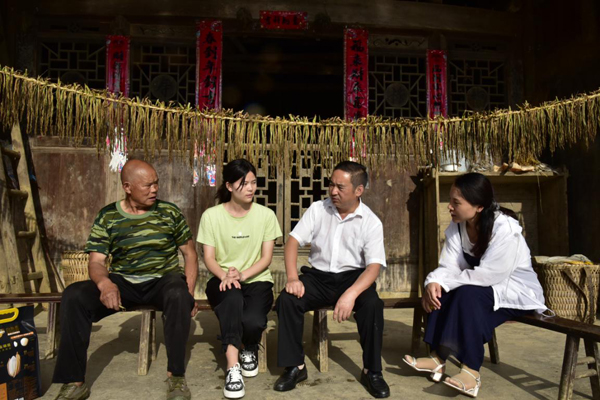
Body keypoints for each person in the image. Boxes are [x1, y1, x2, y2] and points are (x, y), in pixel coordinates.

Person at [52, 160, 198, 400]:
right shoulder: (108, 216)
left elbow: (190, 254)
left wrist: (189, 293)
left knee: (178, 293)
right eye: (148, 185)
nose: (155, 189)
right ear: (128, 187)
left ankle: (176, 378)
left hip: (163, 281)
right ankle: (74, 382)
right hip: (123, 283)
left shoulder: (170, 212)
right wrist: (105, 284)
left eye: (156, 183)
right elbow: (96, 262)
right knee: (74, 295)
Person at [403, 172, 546, 398]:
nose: (449, 207)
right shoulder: (458, 226)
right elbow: (449, 266)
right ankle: (437, 358)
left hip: (515, 292)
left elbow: (487, 276)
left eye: (456, 202)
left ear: (479, 206)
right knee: (442, 292)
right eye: (450, 200)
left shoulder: (505, 229)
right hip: (481, 289)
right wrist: (434, 281)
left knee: (466, 294)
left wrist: (443, 281)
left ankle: (471, 373)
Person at [273, 161, 390, 399]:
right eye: (331, 185)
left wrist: (350, 294)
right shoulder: (318, 209)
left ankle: (372, 371)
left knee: (372, 305)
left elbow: (373, 267)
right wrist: (293, 278)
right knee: (288, 299)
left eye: (340, 187)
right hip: (318, 278)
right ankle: (295, 366)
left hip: (353, 278)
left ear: (358, 190)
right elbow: (293, 242)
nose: (333, 191)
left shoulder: (370, 221)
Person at [197, 159, 282, 399]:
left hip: (257, 279)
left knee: (253, 321)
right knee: (232, 299)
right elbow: (208, 257)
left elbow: (266, 258)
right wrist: (225, 276)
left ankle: (249, 346)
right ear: (229, 186)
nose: (250, 188)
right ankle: (233, 366)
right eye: (244, 183)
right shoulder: (211, 216)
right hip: (221, 279)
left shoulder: (266, 215)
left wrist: (242, 275)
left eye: (253, 182)